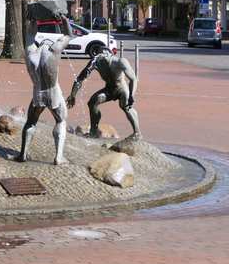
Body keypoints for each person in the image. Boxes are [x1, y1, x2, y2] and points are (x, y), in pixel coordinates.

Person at [17, 11, 72, 165]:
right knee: (61, 121)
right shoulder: (54, 50)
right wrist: (64, 20)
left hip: (37, 94)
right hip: (54, 93)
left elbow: (29, 35)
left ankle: (23, 154)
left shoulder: (31, 53)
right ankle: (58, 157)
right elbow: (68, 35)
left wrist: (34, 18)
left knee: (31, 122)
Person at [67, 47, 141, 139]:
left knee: (126, 106)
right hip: (109, 90)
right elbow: (79, 79)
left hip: (122, 89)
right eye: (98, 53)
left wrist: (131, 96)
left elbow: (133, 79)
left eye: (101, 53)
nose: (99, 55)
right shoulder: (96, 63)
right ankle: (94, 131)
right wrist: (72, 95)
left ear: (108, 53)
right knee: (92, 102)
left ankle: (137, 133)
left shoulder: (120, 61)